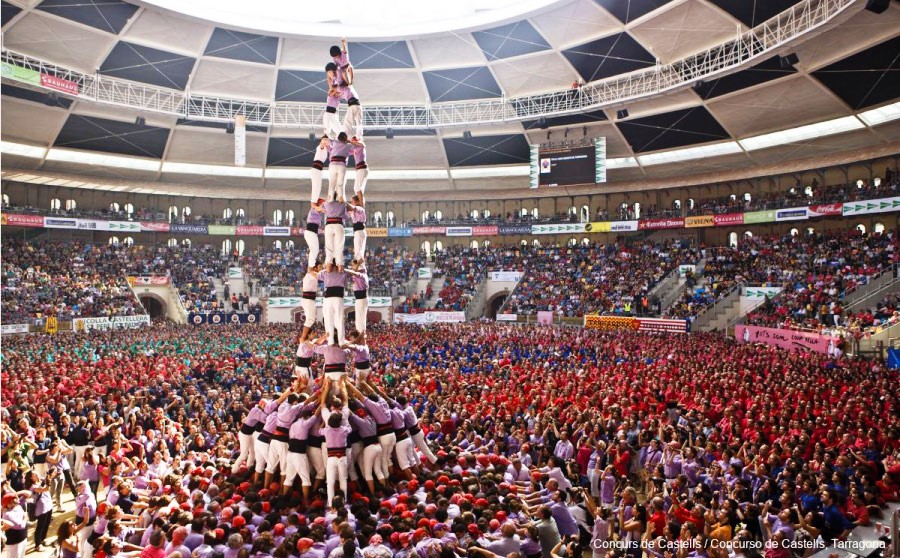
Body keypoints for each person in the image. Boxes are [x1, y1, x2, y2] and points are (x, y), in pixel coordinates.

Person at [320, 377, 351, 506]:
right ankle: (344, 502)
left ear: (332, 407)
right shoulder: (344, 422)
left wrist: (327, 388)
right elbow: (346, 402)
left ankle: (330, 504)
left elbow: (322, 404)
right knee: (343, 479)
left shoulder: (327, 419)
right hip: (343, 455)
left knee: (330, 481)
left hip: (331, 457)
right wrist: (343, 386)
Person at [319, 263, 348, 345]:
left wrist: (325, 268)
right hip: (335, 296)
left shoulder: (325, 272)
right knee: (338, 319)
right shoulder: (342, 272)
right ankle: (340, 341)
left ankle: (331, 341)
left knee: (330, 319)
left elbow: (317, 275)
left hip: (331, 297)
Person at [322, 194, 349, 268]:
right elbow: (346, 216)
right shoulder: (343, 204)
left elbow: (322, 208)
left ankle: (328, 263)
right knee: (339, 246)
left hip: (329, 225)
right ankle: (339, 264)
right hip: (338, 224)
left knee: (329, 246)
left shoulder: (326, 204)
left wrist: (328, 199)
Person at [327, 134, 352, 203]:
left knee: (332, 183)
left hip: (333, 164)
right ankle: (340, 198)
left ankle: (330, 199)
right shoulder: (348, 145)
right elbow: (357, 147)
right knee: (340, 183)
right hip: (342, 165)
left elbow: (328, 140)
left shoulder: (335, 142)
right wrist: (350, 141)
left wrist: (329, 135)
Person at [1, 493, 28, 558]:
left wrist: (24, 517)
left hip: (23, 538)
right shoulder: (7, 514)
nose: (17, 499)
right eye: (14, 498)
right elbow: (21, 525)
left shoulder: (18, 507)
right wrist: (25, 518)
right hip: (14, 544)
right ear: (9, 503)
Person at [304, 202, 325, 269]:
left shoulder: (319, 215)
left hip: (312, 233)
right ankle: (311, 266)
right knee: (315, 250)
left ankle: (311, 266)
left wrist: (323, 231)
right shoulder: (313, 210)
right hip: (310, 232)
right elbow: (320, 209)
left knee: (315, 250)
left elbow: (316, 228)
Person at [349, 195, 367, 263]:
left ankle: (359, 265)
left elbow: (353, 208)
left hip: (360, 230)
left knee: (358, 251)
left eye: (352, 201)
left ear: (357, 201)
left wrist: (344, 203)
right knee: (358, 250)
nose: (351, 202)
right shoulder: (354, 210)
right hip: (358, 230)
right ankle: (359, 265)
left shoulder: (360, 208)